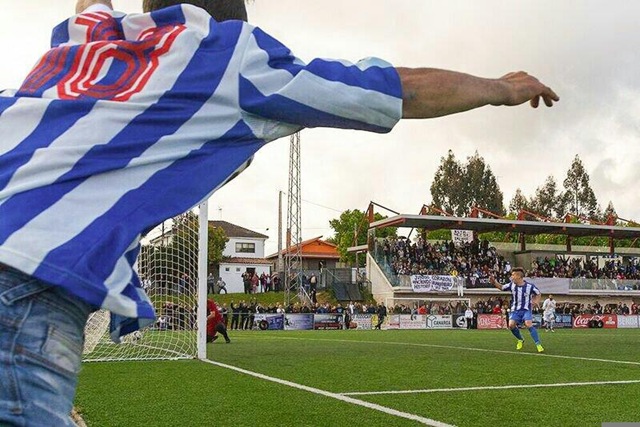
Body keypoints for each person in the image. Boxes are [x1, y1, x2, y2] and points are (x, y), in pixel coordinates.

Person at [0, 0, 558, 423]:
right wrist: (500, 89)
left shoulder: (92, 35)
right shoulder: (230, 57)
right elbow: (397, 89)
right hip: (26, 275)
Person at [490, 267, 544, 352]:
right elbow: (501, 287)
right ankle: (520, 339)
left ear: (518, 276)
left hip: (526, 309)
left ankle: (538, 344)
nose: (511, 277)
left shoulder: (529, 286)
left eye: (513, 275)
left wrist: (536, 301)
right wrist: (494, 282)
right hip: (515, 310)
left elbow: (538, 293)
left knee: (528, 324)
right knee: (511, 325)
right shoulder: (512, 285)